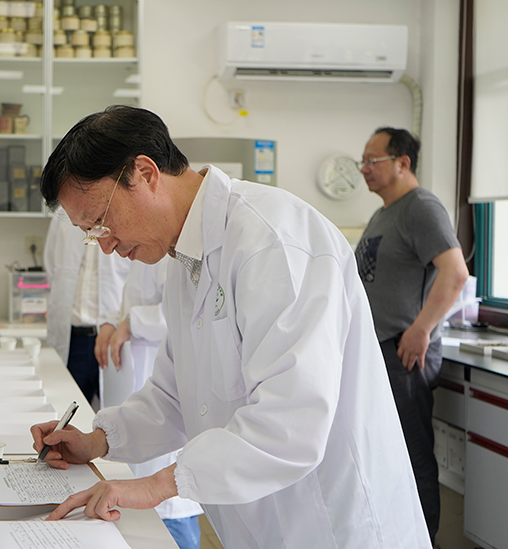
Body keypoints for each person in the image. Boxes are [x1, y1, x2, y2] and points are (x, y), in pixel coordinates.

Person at [31, 105, 431, 548]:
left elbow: (290, 422)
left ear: (144, 173)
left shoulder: (271, 240)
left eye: (101, 222)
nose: (105, 246)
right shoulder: (185, 258)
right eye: (90, 233)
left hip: (333, 525)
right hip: (265, 526)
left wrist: (158, 485)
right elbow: (176, 397)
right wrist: (98, 440)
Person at [355, 127, 468, 542]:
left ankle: (422, 540)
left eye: (373, 160)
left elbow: (455, 273)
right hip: (380, 350)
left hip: (404, 351)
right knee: (387, 456)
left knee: (412, 454)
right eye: (362, 161)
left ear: (403, 163)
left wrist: (421, 330)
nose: (364, 168)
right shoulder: (385, 213)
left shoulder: (421, 207)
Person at [97, 257, 204, 549]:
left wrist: (134, 322)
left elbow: (185, 310)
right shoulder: (141, 257)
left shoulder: (173, 256)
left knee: (173, 518)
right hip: (148, 395)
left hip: (169, 439)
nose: (107, 246)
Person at [44, 209, 130, 406]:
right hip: (72, 339)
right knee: (66, 410)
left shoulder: (122, 211)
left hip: (112, 338)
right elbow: (51, 267)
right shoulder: (63, 214)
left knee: (115, 411)